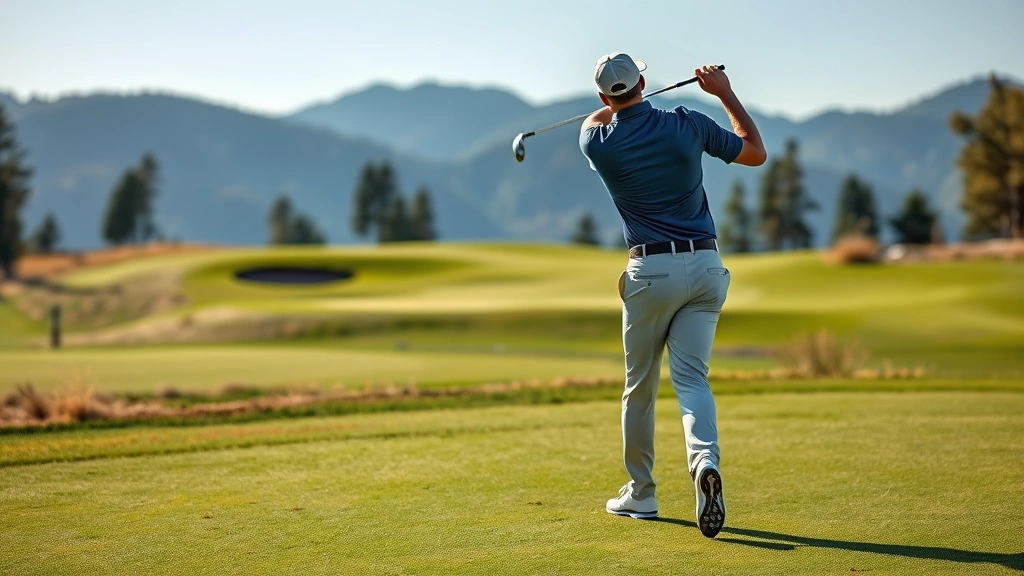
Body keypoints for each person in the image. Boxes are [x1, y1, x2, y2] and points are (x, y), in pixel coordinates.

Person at [579, 53, 766, 538]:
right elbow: (754, 151)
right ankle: (704, 461)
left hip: (649, 272)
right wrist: (722, 91)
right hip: (705, 267)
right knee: (692, 381)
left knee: (639, 387)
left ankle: (641, 495)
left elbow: (598, 116)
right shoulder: (688, 123)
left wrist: (618, 101)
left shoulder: (596, 139)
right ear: (644, 80)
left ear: (603, 96)